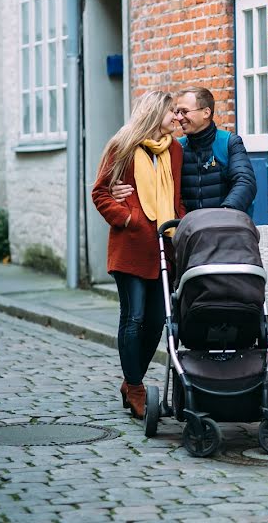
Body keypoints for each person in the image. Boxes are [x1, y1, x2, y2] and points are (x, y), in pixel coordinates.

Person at [91, 91, 186, 419]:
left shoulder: (174, 150)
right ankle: (135, 387)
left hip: (163, 249)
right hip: (130, 247)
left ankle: (133, 380)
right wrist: (127, 218)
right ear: (155, 113)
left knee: (158, 319)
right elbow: (100, 192)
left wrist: (181, 226)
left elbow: (177, 196)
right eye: (171, 112)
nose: (176, 117)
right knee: (133, 317)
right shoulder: (123, 146)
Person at [111, 86, 257, 213]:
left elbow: (245, 181)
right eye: (177, 112)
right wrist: (118, 191)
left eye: (184, 112)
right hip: (188, 233)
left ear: (206, 113)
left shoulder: (228, 142)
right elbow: (153, 186)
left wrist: (227, 212)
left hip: (225, 231)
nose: (179, 117)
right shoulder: (175, 147)